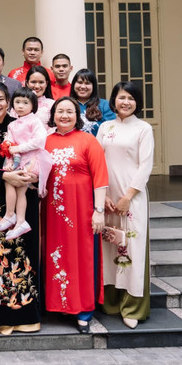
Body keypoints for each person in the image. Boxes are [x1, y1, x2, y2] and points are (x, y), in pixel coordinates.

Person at [0, 82, 42, 335]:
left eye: (2, 99)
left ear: (9, 100)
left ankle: (27, 313)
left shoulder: (21, 123)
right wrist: (4, 178)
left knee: (23, 252)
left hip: (24, 192)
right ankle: (1, 314)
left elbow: (38, 151)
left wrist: (29, 176)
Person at [43, 96, 109, 334]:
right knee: (57, 256)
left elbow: (100, 178)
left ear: (77, 116)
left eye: (69, 111)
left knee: (82, 258)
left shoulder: (88, 141)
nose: (64, 116)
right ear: (53, 115)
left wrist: (98, 211)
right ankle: (61, 304)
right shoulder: (45, 141)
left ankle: (83, 310)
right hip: (52, 214)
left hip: (82, 212)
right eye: (60, 111)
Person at [96, 82, 154, 329]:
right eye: (121, 97)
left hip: (132, 198)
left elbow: (146, 165)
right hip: (107, 198)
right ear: (113, 100)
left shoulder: (143, 128)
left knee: (131, 248)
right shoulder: (105, 127)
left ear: (137, 102)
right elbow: (97, 161)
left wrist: (127, 196)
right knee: (109, 246)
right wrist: (104, 195)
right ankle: (110, 302)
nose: (126, 102)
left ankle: (132, 307)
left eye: (131, 98)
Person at [0, 88, 52, 241]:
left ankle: (17, 219)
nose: (20, 106)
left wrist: (19, 148)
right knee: (11, 184)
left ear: (33, 106)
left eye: (25, 103)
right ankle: (14, 218)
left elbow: (39, 141)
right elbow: (9, 142)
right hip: (18, 160)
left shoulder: (34, 121)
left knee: (20, 188)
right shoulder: (13, 124)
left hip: (32, 160)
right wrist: (10, 158)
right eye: (17, 102)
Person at [71, 68, 116, 137]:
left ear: (93, 86)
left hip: (98, 146)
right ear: (74, 84)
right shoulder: (67, 104)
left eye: (87, 83)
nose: (83, 86)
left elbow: (111, 130)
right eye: (79, 82)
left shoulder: (105, 105)